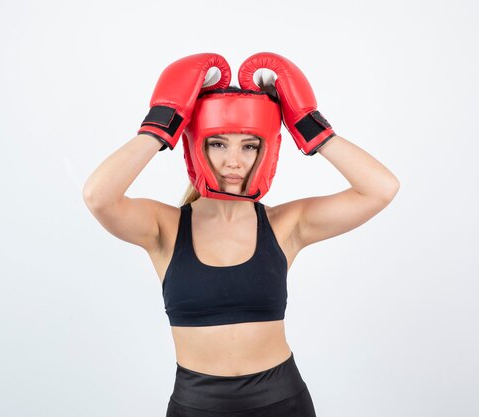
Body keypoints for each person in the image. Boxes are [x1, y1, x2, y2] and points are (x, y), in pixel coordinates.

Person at [83, 52, 400, 416]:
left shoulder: (285, 225)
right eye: (218, 143)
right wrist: (162, 123)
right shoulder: (164, 228)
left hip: (283, 402)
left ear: (267, 149)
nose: (234, 162)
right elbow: (98, 196)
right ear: (195, 144)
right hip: (195, 405)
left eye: (249, 145)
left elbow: (381, 189)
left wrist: (311, 126)